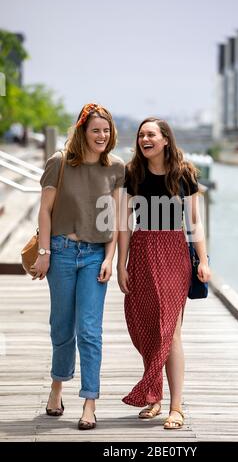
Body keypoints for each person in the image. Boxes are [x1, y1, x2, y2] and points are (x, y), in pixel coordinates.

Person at [31, 103, 124, 430]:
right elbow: (45, 209)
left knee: (89, 330)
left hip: (96, 256)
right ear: (83, 131)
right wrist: (44, 250)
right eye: (96, 129)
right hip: (62, 251)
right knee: (61, 326)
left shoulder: (116, 167)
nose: (102, 135)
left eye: (106, 130)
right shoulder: (59, 163)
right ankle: (57, 386)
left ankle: (89, 403)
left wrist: (110, 259)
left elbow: (115, 219)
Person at [117, 117, 211, 430]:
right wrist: (121, 264)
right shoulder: (133, 173)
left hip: (174, 252)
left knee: (170, 330)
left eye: (151, 135)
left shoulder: (183, 173)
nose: (145, 139)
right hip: (142, 252)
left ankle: (176, 406)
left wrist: (203, 261)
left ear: (165, 139)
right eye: (141, 135)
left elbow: (195, 223)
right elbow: (124, 223)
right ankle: (153, 397)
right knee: (147, 326)